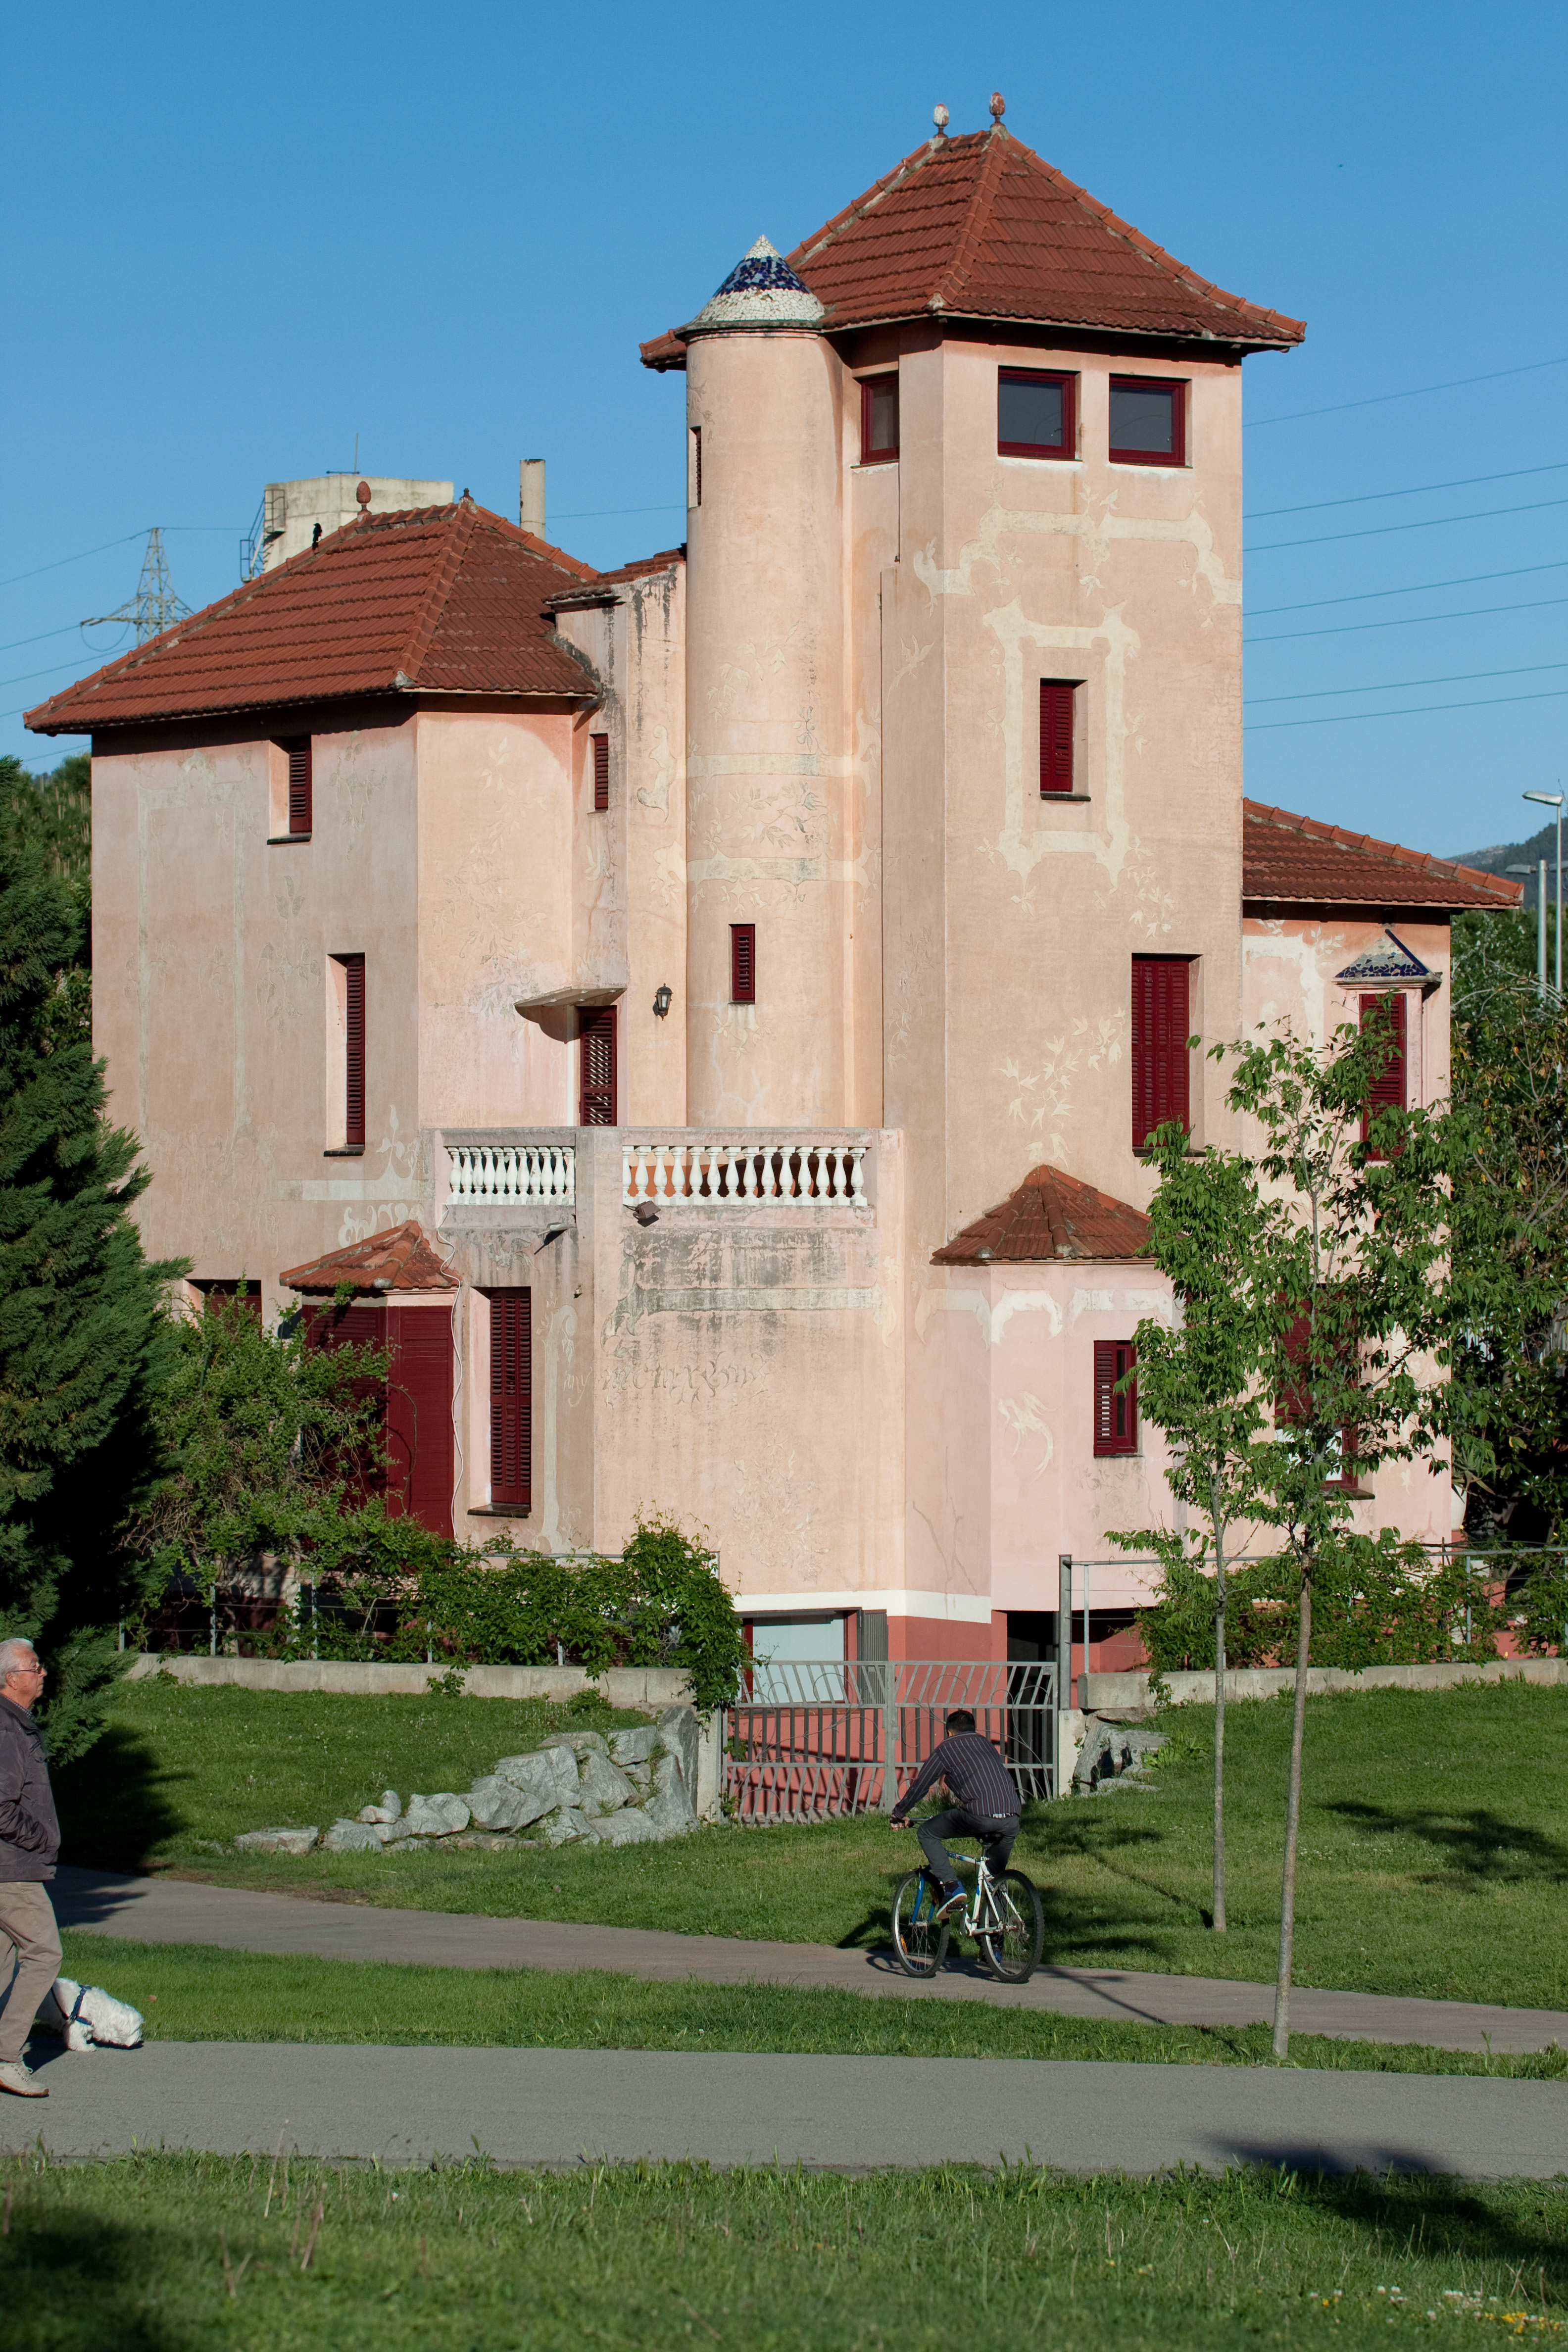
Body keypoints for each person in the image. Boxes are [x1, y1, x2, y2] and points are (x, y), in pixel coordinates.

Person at [0, 1638, 62, 2097]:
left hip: (12, 1866)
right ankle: (6, 2057)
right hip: (12, 1870)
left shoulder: (15, 1723)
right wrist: (41, 1839)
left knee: (2, 1962)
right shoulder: (6, 1730)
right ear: (10, 1678)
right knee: (45, 1953)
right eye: (34, 1668)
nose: (42, 1673)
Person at [889, 1707, 1022, 1921]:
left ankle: (952, 1887)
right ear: (973, 1729)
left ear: (949, 1733)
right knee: (994, 1877)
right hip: (1012, 1817)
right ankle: (994, 1935)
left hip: (980, 1816)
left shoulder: (946, 1748)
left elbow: (922, 1785)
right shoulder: (985, 1744)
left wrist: (899, 1813)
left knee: (927, 1833)